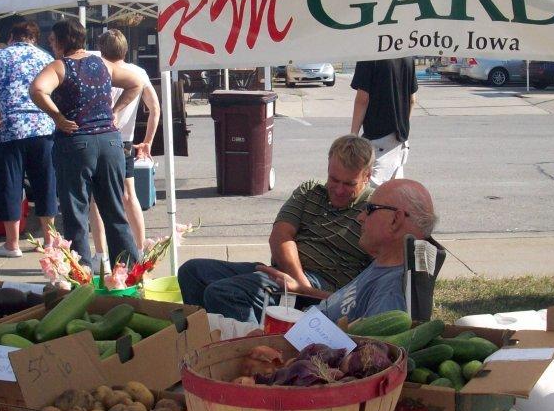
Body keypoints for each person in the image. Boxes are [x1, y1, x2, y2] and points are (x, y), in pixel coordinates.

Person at [177, 134, 375, 323]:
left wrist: (305, 290)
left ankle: (254, 345)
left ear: (367, 176)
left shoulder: (374, 209)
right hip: (288, 274)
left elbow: (374, 282)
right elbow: (280, 237)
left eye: (349, 184)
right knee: (192, 272)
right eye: (334, 179)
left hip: (322, 289)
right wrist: (300, 283)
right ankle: (206, 336)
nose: (339, 190)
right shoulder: (310, 191)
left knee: (224, 293)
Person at [30, 20, 143, 269]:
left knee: (76, 213)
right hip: (110, 141)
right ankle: (128, 272)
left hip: (76, 142)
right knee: (115, 211)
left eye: (53, 41)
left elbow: (37, 90)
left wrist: (57, 116)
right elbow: (136, 83)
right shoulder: (103, 64)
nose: (51, 45)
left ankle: (82, 273)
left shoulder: (60, 66)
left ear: (62, 41)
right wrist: (115, 111)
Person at [269, 179, 437, 323]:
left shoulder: (391, 293)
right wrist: (304, 290)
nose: (360, 217)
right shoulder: (384, 265)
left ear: (395, 220)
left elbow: (371, 349)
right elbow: (345, 306)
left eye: (370, 209)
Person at [0, 20, 58, 257]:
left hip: (7, 129)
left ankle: (12, 243)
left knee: (9, 185)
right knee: (45, 184)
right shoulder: (46, 58)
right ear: (35, 38)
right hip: (42, 127)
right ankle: (49, 240)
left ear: (11, 37)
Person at [87, 29, 160, 270]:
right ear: (126, 49)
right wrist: (148, 140)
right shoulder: (138, 72)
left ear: (101, 49)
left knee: (97, 200)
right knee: (129, 195)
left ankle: (101, 255)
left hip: (100, 137)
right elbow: (155, 108)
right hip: (126, 141)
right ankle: (139, 250)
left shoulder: (97, 71)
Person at [350, 57, 418, 186]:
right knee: (394, 194)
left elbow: (362, 99)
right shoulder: (408, 56)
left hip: (378, 141)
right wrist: (401, 127)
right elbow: (412, 100)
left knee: (370, 193)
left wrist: (353, 136)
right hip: (401, 143)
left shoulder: (370, 56)